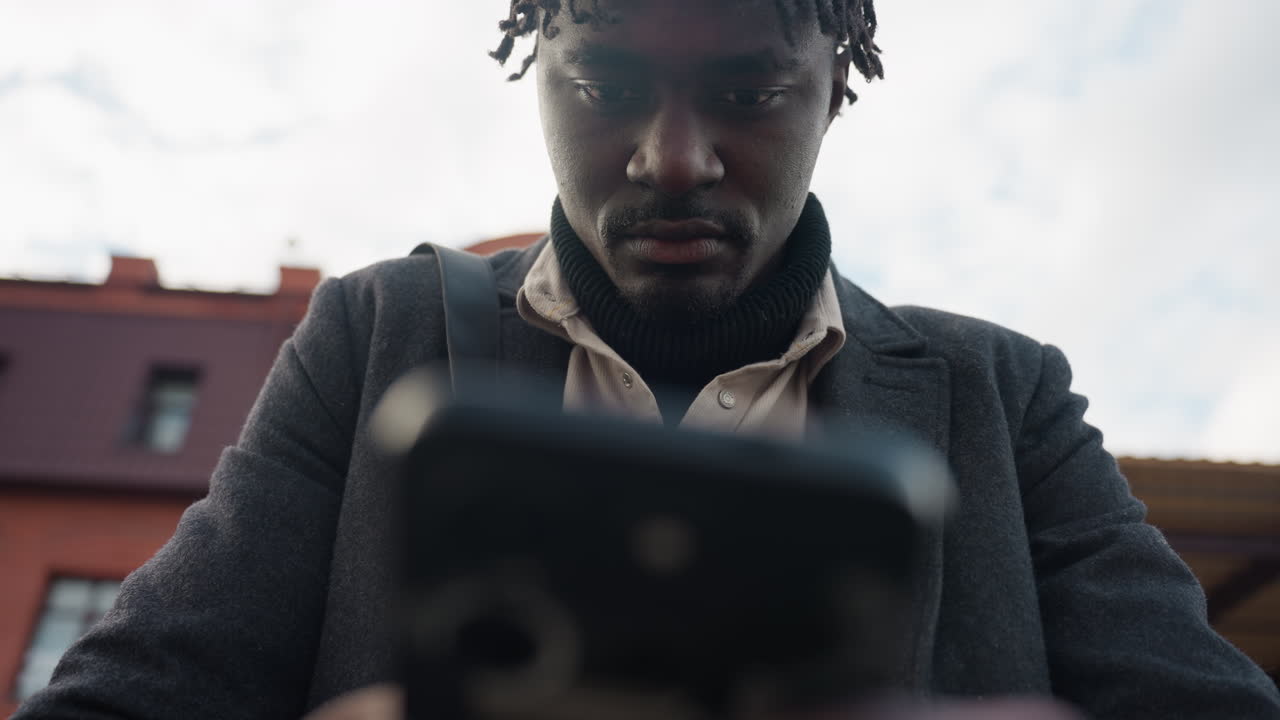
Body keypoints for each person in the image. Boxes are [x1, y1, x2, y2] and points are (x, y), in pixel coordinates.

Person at [14, 1, 1280, 719]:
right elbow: (133, 701)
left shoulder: (1004, 398)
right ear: (537, 78)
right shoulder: (374, 333)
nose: (671, 159)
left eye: (745, 95)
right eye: (607, 84)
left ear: (835, 89)